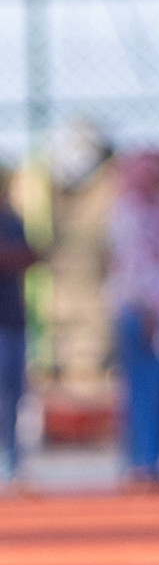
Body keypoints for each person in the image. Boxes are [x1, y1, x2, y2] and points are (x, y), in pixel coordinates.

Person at [107, 149, 159, 491]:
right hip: (139, 311)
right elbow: (134, 266)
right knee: (141, 389)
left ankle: (153, 461)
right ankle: (140, 463)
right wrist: (147, 308)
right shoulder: (126, 212)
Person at [0, 165, 40, 491]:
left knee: (14, 398)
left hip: (13, 322)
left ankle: (11, 466)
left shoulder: (13, 219)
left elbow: (32, 254)